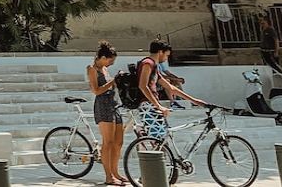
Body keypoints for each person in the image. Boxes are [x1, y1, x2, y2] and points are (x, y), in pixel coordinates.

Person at [134, 41, 207, 141]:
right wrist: (158, 106)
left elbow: (170, 87)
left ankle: (142, 136)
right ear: (160, 52)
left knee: (161, 139)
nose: (166, 58)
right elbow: (143, 86)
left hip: (152, 105)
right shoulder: (148, 63)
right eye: (166, 55)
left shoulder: (154, 66)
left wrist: (193, 100)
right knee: (159, 140)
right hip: (148, 106)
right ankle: (140, 135)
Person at [87, 41, 128, 186]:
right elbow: (96, 90)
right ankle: (108, 176)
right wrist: (112, 82)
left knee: (118, 142)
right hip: (103, 106)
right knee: (108, 142)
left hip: (114, 104)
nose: (111, 63)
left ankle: (116, 172)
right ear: (103, 57)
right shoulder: (92, 69)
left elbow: (110, 85)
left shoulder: (104, 69)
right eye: (110, 60)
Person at [259, 13, 282, 79]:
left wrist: (276, 51)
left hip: (270, 51)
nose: (261, 23)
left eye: (263, 21)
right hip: (264, 51)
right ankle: (272, 77)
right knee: (267, 66)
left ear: (266, 22)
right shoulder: (263, 30)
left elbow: (276, 40)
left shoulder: (270, 30)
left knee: (275, 65)